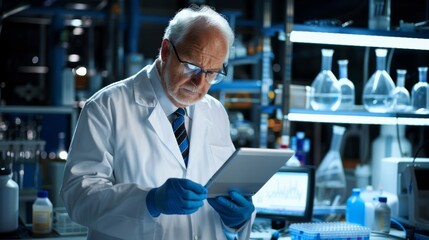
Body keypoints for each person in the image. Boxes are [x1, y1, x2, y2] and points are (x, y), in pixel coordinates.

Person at [60, 5, 256, 240]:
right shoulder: (107, 106)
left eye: (212, 73)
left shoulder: (215, 113)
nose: (199, 82)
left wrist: (237, 220)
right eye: (192, 66)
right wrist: (149, 200)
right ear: (165, 51)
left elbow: (224, 192)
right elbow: (79, 199)